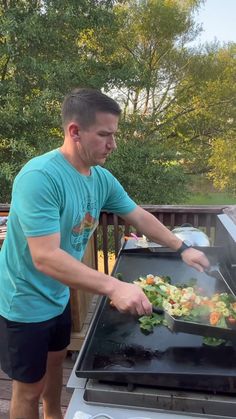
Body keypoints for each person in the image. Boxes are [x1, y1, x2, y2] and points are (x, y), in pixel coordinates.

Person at [0, 88, 210, 419]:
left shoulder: (100, 179)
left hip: (57, 296)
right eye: (104, 135)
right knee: (29, 389)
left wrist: (182, 248)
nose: (113, 144)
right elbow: (45, 256)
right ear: (74, 131)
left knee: (55, 367)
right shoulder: (39, 178)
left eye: (114, 135)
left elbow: (138, 215)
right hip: (23, 301)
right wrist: (113, 286)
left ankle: (54, 415)